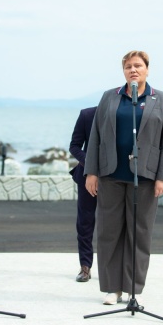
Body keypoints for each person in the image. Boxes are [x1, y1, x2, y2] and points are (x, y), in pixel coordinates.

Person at [84, 50, 163, 305]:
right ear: (123, 71)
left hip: (145, 177)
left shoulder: (161, 99)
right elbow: (96, 135)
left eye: (138, 66)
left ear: (147, 69)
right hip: (110, 174)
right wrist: (91, 172)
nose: (133, 70)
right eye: (128, 67)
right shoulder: (109, 97)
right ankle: (112, 289)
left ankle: (133, 288)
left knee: (139, 233)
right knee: (109, 233)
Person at [68, 106, 98, 282]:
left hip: (114, 178)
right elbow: (74, 146)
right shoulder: (87, 114)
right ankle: (85, 266)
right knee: (85, 222)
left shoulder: (123, 114)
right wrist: (91, 163)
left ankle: (112, 270)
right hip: (87, 176)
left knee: (113, 224)